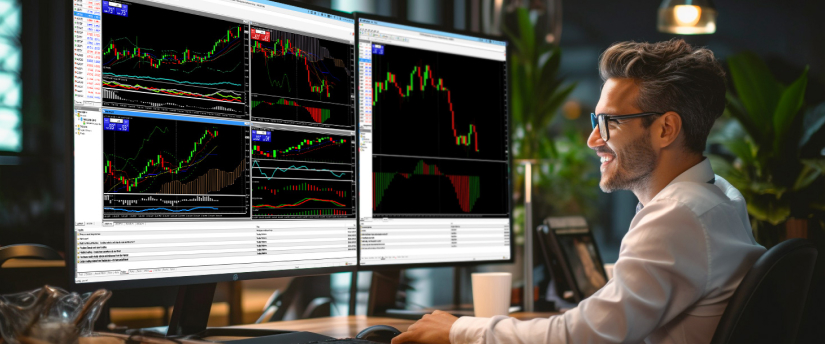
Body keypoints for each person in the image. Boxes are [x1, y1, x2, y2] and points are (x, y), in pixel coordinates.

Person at [391, 38, 766, 344]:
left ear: (666, 129)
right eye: (594, 121)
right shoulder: (721, 196)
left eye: (609, 123)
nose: (592, 140)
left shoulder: (678, 215)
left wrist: (459, 330)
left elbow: (584, 336)